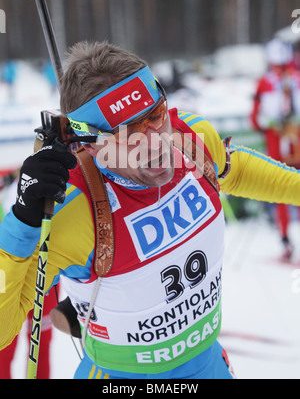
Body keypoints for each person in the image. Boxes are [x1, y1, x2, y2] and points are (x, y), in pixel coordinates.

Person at [1, 41, 300, 380]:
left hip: (210, 365)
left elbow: (237, 169)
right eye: (130, 132)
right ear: (90, 143)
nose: (156, 140)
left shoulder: (190, 139)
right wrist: (21, 224)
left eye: (156, 115)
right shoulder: (75, 208)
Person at [0, 172, 57, 379]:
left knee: (40, 343)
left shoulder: (54, 183)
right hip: (7, 274)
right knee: (3, 345)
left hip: (43, 273)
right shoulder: (9, 183)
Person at [251, 38, 300, 260]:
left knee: (281, 190)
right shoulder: (297, 78)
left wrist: (269, 126)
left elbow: (256, 119)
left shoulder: (265, 82)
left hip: (278, 148)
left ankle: (285, 240)